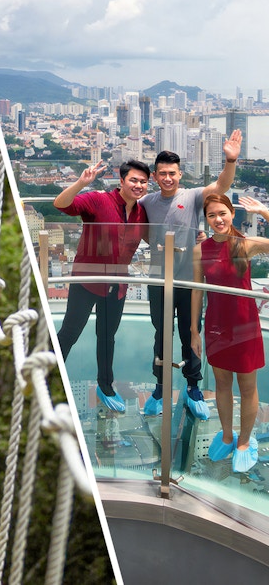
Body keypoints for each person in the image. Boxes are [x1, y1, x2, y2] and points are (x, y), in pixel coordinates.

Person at [140, 130, 242, 419]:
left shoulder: (193, 196)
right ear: (155, 176)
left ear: (180, 174)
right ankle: (160, 387)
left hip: (189, 280)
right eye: (162, 173)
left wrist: (230, 160)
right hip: (159, 280)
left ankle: (193, 386)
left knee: (190, 333)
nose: (168, 178)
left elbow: (222, 185)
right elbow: (139, 229)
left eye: (172, 173)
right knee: (162, 334)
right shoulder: (147, 202)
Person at [53, 159, 150, 412]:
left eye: (143, 182)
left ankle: (105, 385)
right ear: (121, 181)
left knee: (107, 337)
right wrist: (81, 183)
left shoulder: (142, 213)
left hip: (117, 285)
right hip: (87, 280)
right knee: (70, 332)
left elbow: (157, 235)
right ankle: (50, 377)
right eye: (133, 180)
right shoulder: (98, 200)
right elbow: (61, 204)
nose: (138, 185)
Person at [191, 193, 269, 473]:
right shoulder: (200, 250)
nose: (218, 220)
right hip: (216, 326)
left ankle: (245, 442)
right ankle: (227, 435)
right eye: (211, 215)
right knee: (222, 384)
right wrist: (194, 330)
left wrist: (263, 212)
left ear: (232, 214)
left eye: (222, 213)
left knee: (248, 388)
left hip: (245, 326)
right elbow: (197, 291)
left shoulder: (244, 245)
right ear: (207, 219)